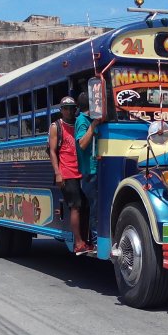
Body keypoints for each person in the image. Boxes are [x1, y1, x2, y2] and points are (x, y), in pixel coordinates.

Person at [49, 96, 93, 255]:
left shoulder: (79, 123)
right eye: (65, 108)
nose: (69, 111)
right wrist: (58, 173)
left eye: (71, 108)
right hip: (67, 171)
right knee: (75, 206)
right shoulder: (56, 127)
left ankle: (86, 239)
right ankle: (78, 242)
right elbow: (53, 152)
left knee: (86, 205)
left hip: (81, 169)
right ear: (61, 110)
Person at [75, 92, 101, 246]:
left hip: (96, 169)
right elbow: (82, 144)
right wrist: (93, 126)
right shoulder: (82, 121)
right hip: (89, 172)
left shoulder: (92, 119)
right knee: (95, 206)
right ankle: (96, 239)